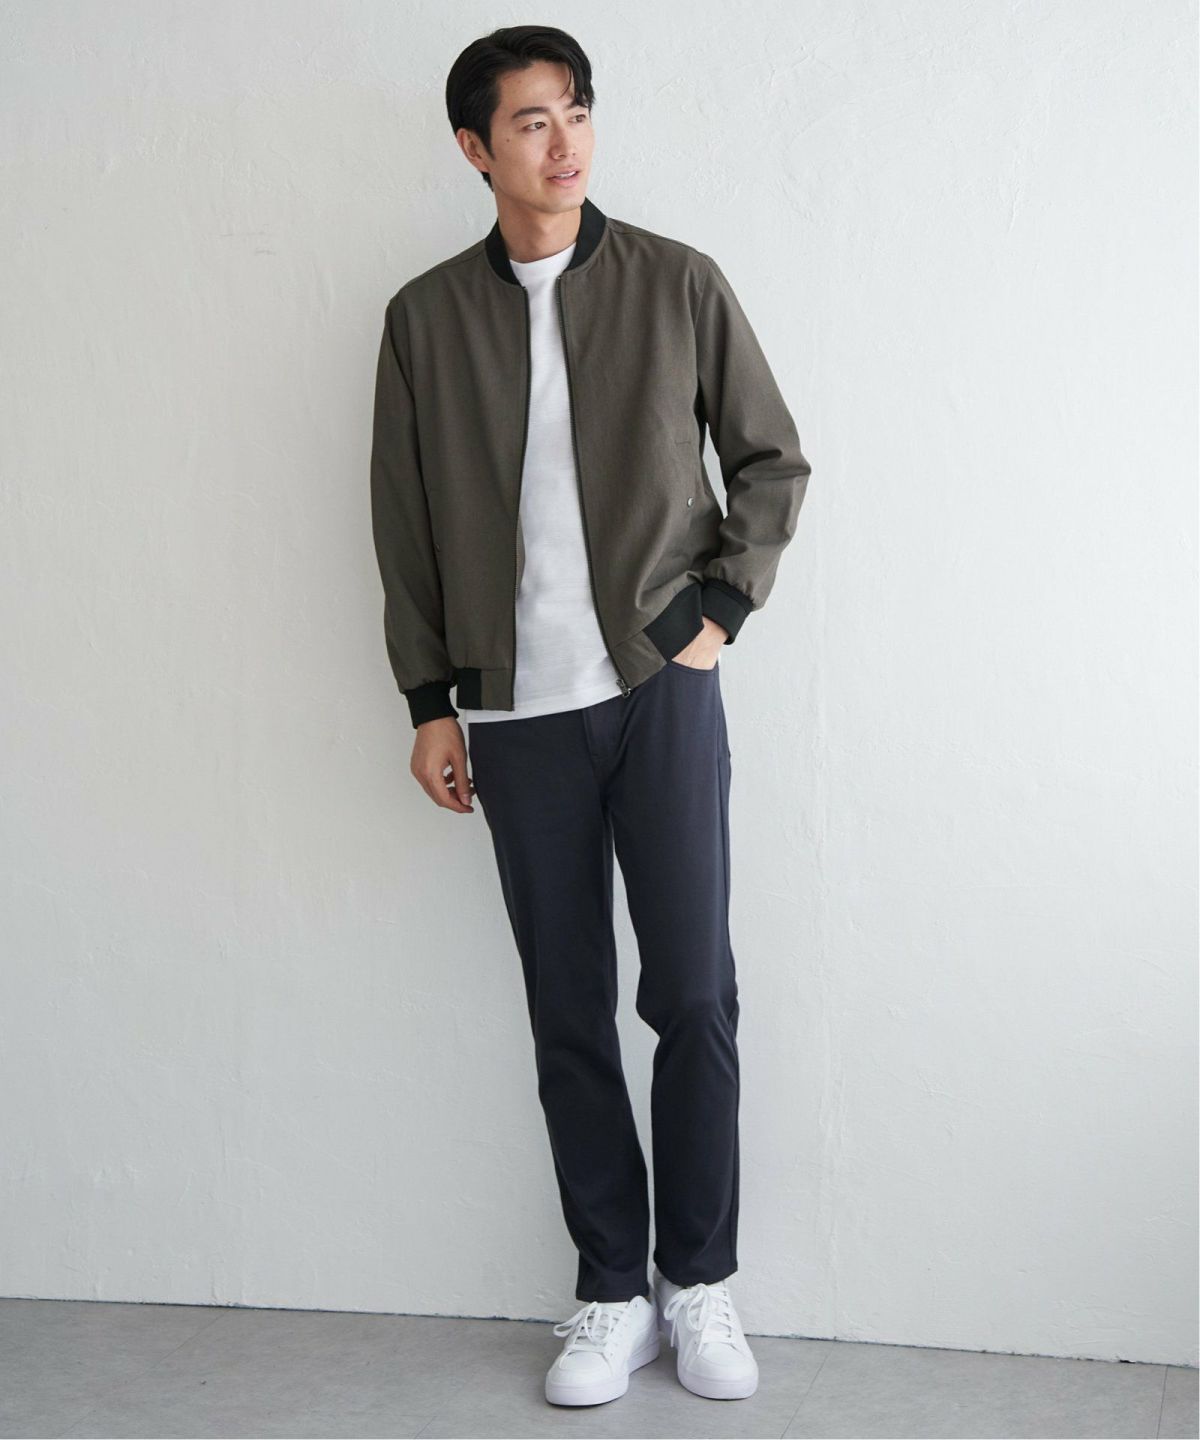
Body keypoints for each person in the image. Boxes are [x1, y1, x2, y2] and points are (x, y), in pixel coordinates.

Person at [370, 24, 812, 1409]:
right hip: (515, 715)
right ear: (474, 148)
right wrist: (430, 701)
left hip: (659, 693)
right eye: (529, 122)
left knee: (692, 993)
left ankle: (701, 1282)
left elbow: (771, 459)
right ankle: (611, 1289)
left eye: (576, 113)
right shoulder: (426, 319)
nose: (563, 144)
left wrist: (716, 612)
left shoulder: (677, 282)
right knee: (566, 1006)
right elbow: (404, 524)